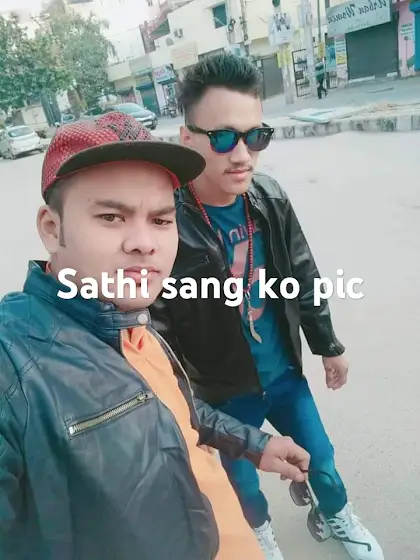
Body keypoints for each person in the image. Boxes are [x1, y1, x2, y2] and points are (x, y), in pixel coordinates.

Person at [0, 112, 311, 560]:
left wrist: (255, 444)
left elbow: (173, 407)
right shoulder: (14, 365)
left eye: (162, 220)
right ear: (52, 228)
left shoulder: (130, 321)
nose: (144, 243)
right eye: (112, 216)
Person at [149, 53, 384, 560]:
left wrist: (328, 344)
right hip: (221, 394)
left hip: (283, 376)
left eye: (255, 136)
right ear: (187, 138)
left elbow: (302, 272)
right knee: (243, 487)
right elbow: (159, 336)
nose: (242, 155)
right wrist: (188, 412)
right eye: (223, 138)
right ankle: (259, 535)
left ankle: (337, 513)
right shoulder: (165, 224)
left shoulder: (269, 196)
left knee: (320, 459)